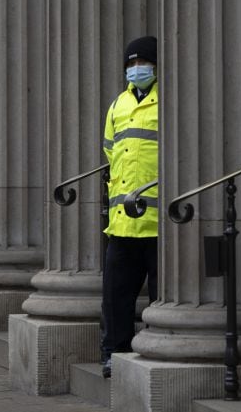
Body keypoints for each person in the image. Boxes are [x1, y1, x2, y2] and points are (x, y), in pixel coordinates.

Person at [100, 35, 160, 378]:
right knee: (115, 297)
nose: (137, 69)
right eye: (132, 64)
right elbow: (110, 152)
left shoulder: (165, 101)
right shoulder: (117, 105)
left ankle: (153, 349)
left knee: (159, 297)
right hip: (122, 222)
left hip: (155, 221)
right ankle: (112, 353)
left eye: (143, 63)